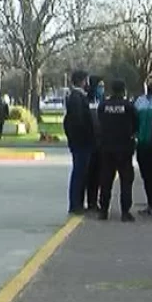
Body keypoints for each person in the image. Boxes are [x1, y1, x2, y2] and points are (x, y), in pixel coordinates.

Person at [97, 79, 138, 222]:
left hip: (107, 148)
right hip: (125, 149)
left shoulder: (103, 106)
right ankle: (125, 212)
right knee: (126, 181)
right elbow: (135, 126)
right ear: (123, 90)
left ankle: (103, 211)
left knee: (106, 180)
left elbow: (100, 123)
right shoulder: (129, 106)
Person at [63, 70, 95, 215]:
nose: (88, 84)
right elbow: (77, 122)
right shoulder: (77, 98)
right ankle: (76, 205)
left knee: (81, 173)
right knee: (79, 173)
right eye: (86, 80)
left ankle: (78, 203)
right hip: (81, 143)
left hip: (80, 143)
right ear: (82, 81)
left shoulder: (77, 97)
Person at [134, 77, 152, 215]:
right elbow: (133, 120)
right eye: (151, 85)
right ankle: (151, 204)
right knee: (146, 176)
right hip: (142, 145)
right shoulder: (140, 102)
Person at [85, 76, 104, 212]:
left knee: (98, 175)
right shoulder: (86, 100)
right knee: (89, 174)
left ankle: (95, 202)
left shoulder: (103, 101)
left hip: (101, 143)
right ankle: (89, 201)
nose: (102, 89)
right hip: (89, 142)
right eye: (100, 86)